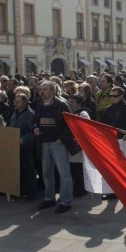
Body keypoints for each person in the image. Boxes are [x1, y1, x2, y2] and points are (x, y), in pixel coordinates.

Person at [33, 80, 74, 214]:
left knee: (64, 174)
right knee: (46, 173)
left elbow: (71, 124)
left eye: (44, 89)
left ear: (52, 90)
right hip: (44, 143)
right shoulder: (39, 105)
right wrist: (35, 129)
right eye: (40, 89)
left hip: (58, 143)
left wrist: (61, 139)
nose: (41, 92)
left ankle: (65, 202)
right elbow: (36, 121)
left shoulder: (61, 104)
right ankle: (49, 198)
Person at [9, 93, 37, 200]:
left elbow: (33, 132)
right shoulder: (14, 113)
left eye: (18, 102)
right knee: (17, 169)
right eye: (15, 102)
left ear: (25, 102)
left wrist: (24, 139)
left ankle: (31, 192)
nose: (15, 104)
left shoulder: (30, 114)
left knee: (28, 169)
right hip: (14, 146)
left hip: (26, 146)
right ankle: (19, 190)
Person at [67, 94, 89, 198]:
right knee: (73, 168)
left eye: (73, 102)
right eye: (69, 101)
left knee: (78, 168)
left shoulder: (83, 113)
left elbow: (86, 127)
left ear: (79, 103)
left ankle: (81, 189)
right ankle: (77, 188)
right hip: (71, 144)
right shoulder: (70, 112)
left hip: (79, 145)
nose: (70, 104)